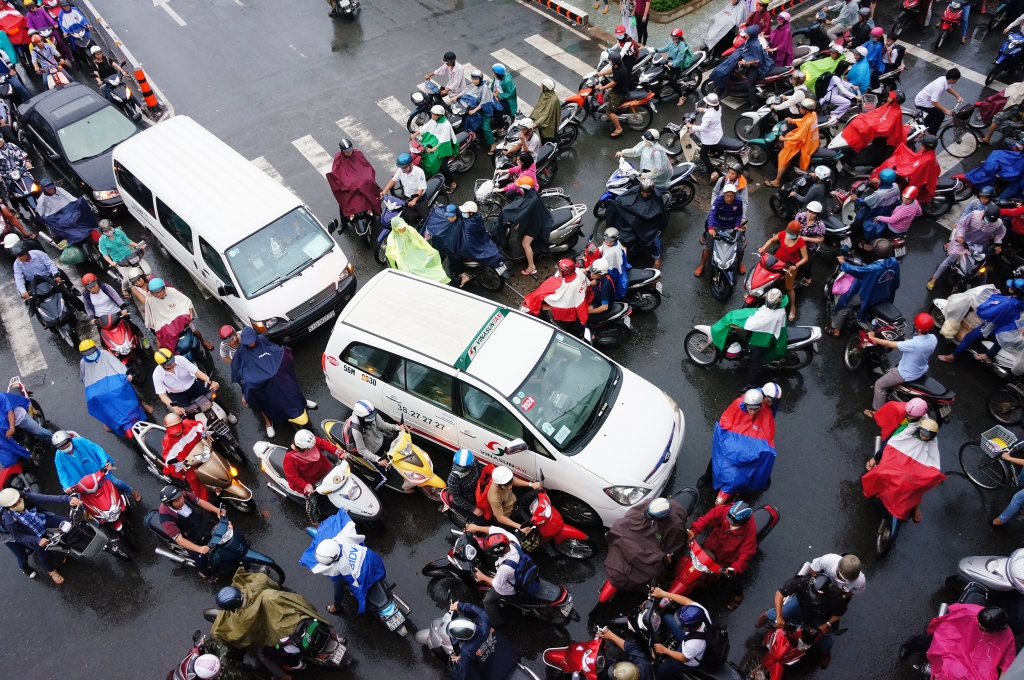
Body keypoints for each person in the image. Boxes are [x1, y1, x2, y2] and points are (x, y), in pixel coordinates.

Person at [230, 327, 318, 434]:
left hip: (278, 375)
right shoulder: (242, 351)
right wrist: (247, 390)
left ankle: (303, 402)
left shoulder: (262, 339)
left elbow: (275, 349)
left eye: (252, 341)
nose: (251, 344)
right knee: (260, 397)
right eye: (248, 343)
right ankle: (269, 422)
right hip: (262, 381)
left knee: (291, 385)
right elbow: (242, 369)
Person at [755, 573, 848, 668]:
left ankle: (825, 653)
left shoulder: (835, 597)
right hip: (801, 606)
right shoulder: (802, 583)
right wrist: (779, 617)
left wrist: (827, 624)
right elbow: (779, 593)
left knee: (827, 643)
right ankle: (766, 615)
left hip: (820, 617)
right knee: (778, 614)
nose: (814, 599)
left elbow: (839, 613)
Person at [900, 605, 1015, 680]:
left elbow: (1007, 664)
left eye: (982, 627)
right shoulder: (974, 611)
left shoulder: (1007, 637)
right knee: (932, 642)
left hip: (976, 657)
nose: (978, 624)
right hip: (955, 636)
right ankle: (910, 645)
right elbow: (954, 607)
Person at [604, 497, 691, 592]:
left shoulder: (675, 526)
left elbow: (674, 547)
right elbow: (631, 516)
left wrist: (663, 558)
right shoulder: (647, 505)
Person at [709, 288, 789, 388]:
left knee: (754, 359)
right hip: (766, 327)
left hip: (768, 337)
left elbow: (757, 322)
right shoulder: (778, 307)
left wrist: (742, 324)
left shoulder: (777, 314)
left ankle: (751, 384)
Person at [707, 389, 777, 500]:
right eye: (750, 409)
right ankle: (708, 476)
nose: (752, 412)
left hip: (746, 453)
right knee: (717, 460)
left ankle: (736, 490)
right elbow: (725, 423)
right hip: (732, 448)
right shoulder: (737, 405)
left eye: (756, 409)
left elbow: (767, 437)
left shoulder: (766, 413)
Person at [0, 487, 80, 584]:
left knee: (67, 523)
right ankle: (48, 571)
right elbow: (19, 536)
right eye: (15, 504)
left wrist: (67, 499)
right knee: (32, 554)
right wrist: (37, 540)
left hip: (40, 520)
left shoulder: (24, 496)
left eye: (19, 500)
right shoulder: (9, 521)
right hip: (20, 534)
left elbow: (45, 498)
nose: (19, 503)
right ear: (8, 507)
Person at [686, 501, 757, 608]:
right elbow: (708, 518)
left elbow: (747, 553)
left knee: (732, 579)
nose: (729, 523)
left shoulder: (750, 530)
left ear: (742, 522)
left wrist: (734, 568)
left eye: (732, 523)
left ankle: (738, 596)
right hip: (711, 545)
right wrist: (695, 530)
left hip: (727, 559)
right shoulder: (725, 510)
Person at [826, 239, 900, 337]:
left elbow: (856, 270)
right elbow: (896, 282)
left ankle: (835, 330)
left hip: (869, 297)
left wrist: (843, 262)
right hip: (885, 294)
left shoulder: (874, 268)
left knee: (845, 303)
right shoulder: (894, 262)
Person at [940, 279, 1024, 365]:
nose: (1009, 287)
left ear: (1014, 290)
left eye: (1011, 287)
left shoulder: (1008, 303)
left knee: (969, 337)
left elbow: (989, 314)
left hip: (996, 325)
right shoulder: (1020, 301)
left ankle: (952, 357)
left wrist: (980, 307)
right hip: (1010, 325)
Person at [866, 312, 938, 410]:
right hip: (921, 370)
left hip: (904, 374)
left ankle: (876, 410)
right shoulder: (933, 339)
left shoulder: (914, 344)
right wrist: (902, 338)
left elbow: (891, 344)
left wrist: (873, 337)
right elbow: (911, 343)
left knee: (879, 385)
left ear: (916, 327)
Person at [79, 338, 151, 434]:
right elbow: (84, 377)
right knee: (95, 401)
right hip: (98, 387)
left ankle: (142, 404)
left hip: (114, 381)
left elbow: (117, 365)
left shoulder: (104, 354)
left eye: (91, 352)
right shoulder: (83, 363)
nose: (90, 355)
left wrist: (125, 375)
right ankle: (107, 421)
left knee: (127, 389)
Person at [926, 202, 1005, 290]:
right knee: (950, 259)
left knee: (980, 265)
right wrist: (959, 236)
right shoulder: (974, 215)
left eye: (991, 221)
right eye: (988, 219)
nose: (988, 222)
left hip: (978, 246)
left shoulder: (998, 224)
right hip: (963, 241)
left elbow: (1000, 234)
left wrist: (998, 244)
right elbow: (962, 225)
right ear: (984, 213)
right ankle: (934, 278)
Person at [469, 528, 537, 626]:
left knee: (487, 602)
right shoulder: (513, 541)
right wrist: (475, 527)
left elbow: (497, 584)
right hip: (521, 568)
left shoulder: (505, 568)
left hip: (509, 587)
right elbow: (494, 529)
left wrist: (482, 577)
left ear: (497, 552)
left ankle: (497, 624)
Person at [52, 429, 142, 501]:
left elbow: (97, 450)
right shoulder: (58, 456)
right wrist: (66, 486)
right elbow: (61, 472)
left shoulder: (81, 441)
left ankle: (132, 491)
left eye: (67, 445)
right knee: (82, 501)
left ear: (70, 440)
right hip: (81, 480)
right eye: (62, 448)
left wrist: (105, 463)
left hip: (98, 471)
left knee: (115, 482)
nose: (65, 448)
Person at [156, 485, 226, 577]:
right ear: (169, 504)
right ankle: (205, 574)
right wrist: (199, 549)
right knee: (200, 560)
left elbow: (200, 502)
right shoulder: (166, 519)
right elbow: (179, 540)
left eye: (180, 497)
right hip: (190, 536)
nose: (181, 500)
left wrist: (217, 510)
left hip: (200, 522)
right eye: (177, 501)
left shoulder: (183, 495)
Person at [152, 349, 235, 422]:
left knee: (213, 397)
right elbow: (162, 395)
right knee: (184, 416)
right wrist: (175, 408)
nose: (173, 363)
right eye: (169, 364)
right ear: (162, 365)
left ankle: (227, 413)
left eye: (172, 360)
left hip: (193, 385)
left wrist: (210, 381)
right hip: (176, 394)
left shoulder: (180, 359)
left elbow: (196, 372)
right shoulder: (157, 374)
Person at [444, 601, 521, 680]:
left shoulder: (467, 651)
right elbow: (479, 611)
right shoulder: (485, 624)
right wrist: (460, 605)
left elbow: (468, 675)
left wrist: (459, 664)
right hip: (513, 658)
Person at [284, 429, 342, 526]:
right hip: (313, 483)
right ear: (301, 448)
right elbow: (292, 477)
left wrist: (338, 452)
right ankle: (315, 521)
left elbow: (324, 444)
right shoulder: (289, 459)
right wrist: (306, 486)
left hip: (326, 472)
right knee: (314, 502)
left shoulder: (310, 441)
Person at [339, 400, 402, 484]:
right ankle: (372, 487)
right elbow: (362, 450)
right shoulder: (356, 430)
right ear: (361, 417)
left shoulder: (371, 414)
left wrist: (397, 428)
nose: (373, 418)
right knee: (385, 477)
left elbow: (382, 425)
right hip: (372, 451)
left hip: (380, 439)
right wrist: (377, 459)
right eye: (369, 417)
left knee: (399, 452)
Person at [12, 241, 85, 314]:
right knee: (31, 300)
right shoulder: (17, 264)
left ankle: (83, 309)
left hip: (48, 277)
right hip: (33, 282)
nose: (19, 258)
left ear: (26, 253)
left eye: (21, 256)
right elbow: (18, 278)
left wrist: (56, 275)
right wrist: (23, 291)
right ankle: (32, 308)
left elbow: (50, 264)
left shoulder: (38, 254)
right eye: (17, 256)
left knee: (68, 293)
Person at [650, 592, 713, 676]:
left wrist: (665, 650)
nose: (679, 624)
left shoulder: (693, 644)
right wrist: (662, 593)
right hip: (691, 637)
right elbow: (686, 601)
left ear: (689, 628)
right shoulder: (701, 611)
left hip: (688, 660)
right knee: (666, 618)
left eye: (682, 624)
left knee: (661, 671)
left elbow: (684, 658)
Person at [143, 277, 214, 351]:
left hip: (181, 321)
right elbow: (150, 316)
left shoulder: (172, 292)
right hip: (164, 324)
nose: (159, 294)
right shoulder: (150, 300)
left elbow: (187, 302)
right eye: (155, 292)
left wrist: (188, 317)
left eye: (160, 291)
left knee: (194, 331)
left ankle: (203, 341)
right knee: (160, 345)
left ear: (164, 288)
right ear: (151, 292)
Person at [758, 221, 809, 321]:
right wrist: (763, 248)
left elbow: (805, 257)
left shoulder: (800, 242)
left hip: (790, 265)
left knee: (789, 287)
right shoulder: (782, 234)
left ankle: (793, 307)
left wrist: (796, 266)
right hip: (777, 260)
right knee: (765, 273)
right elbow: (771, 240)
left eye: (792, 233)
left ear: (797, 233)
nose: (789, 235)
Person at [326, 139, 382, 229]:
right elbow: (336, 172)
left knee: (372, 194)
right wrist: (345, 183)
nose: (349, 152)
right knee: (343, 203)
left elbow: (366, 166)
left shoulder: (358, 153)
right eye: (347, 151)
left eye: (350, 150)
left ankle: (379, 212)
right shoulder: (338, 157)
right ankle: (343, 223)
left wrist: (366, 179)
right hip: (348, 186)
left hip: (362, 184)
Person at [767, 98, 819, 188]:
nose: (799, 109)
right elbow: (803, 121)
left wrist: (784, 139)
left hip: (804, 143)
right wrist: (792, 120)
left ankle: (777, 181)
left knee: (783, 156)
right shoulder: (813, 114)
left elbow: (798, 137)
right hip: (813, 141)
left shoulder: (808, 122)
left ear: (806, 110)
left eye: (801, 108)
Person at [695, 183, 745, 277]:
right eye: (727, 196)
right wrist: (710, 228)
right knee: (707, 247)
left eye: (731, 196)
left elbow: (739, 214)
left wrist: (736, 226)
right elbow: (712, 214)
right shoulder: (718, 200)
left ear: (735, 195)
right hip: (718, 225)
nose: (729, 198)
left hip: (732, 226)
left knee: (740, 247)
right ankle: (702, 265)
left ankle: (740, 263)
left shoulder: (738, 201)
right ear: (724, 194)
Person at [81, 273, 146, 345]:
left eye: (94, 286)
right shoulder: (86, 295)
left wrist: (124, 309)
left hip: (116, 313)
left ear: (97, 282)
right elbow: (88, 308)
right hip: (101, 318)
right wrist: (92, 318)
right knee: (103, 341)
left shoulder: (105, 287)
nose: (93, 289)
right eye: (90, 288)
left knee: (131, 326)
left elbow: (117, 298)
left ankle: (143, 338)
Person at [865, 397, 929, 467]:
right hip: (901, 428)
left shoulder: (912, 427)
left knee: (888, 443)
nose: (908, 415)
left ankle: (876, 460)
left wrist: (876, 458)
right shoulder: (923, 418)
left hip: (903, 432)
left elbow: (893, 441)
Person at [161, 412, 210, 501]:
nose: (177, 433)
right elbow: (168, 457)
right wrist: (177, 463)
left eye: (178, 429)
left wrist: (204, 433)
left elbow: (199, 426)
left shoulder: (189, 424)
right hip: (188, 463)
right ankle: (204, 501)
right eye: (174, 432)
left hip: (201, 452)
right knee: (194, 479)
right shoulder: (167, 441)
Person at [483, 465, 541, 534]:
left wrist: (531, 484)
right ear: (497, 486)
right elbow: (500, 517)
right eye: (507, 485)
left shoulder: (504, 482)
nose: (510, 487)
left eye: (510, 483)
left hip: (514, 505)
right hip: (507, 517)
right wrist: (519, 527)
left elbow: (513, 481)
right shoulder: (494, 498)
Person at [412, 105, 458, 188]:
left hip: (444, 147)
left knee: (444, 167)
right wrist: (415, 134)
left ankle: (452, 182)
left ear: (440, 115)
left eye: (434, 114)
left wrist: (433, 149)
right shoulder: (433, 120)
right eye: (432, 114)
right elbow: (425, 128)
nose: (432, 116)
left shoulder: (446, 125)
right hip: (433, 142)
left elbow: (443, 140)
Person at [96, 219, 148, 288]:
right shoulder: (102, 240)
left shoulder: (118, 232)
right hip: (119, 261)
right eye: (106, 231)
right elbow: (105, 254)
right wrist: (111, 262)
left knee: (145, 271)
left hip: (129, 254)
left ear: (112, 227)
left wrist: (138, 246)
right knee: (128, 279)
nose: (108, 231)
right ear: (103, 232)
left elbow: (128, 241)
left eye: (109, 229)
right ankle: (124, 290)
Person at [915, 69, 964, 135]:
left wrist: (958, 96)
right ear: (952, 79)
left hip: (924, 99)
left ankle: (924, 126)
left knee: (934, 113)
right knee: (940, 115)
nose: (957, 81)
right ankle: (928, 133)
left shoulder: (944, 79)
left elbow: (948, 88)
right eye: (957, 79)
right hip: (923, 102)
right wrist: (946, 110)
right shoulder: (939, 87)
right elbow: (934, 102)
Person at [380, 152, 428, 221]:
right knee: (399, 213)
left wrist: (414, 201)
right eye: (401, 167)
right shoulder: (400, 170)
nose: (403, 169)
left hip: (419, 199)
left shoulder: (419, 172)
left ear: (410, 164)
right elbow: (393, 180)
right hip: (406, 197)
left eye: (404, 167)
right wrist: (384, 191)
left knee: (426, 219)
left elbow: (421, 189)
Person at [655, 28, 695, 104]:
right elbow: (664, 49)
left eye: (675, 38)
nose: (673, 39)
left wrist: (673, 64)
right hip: (669, 63)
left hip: (677, 66)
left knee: (673, 81)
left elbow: (680, 59)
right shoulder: (672, 42)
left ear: (679, 38)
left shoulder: (682, 46)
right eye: (672, 37)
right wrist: (655, 50)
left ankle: (681, 97)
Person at [687, 93, 723, 176]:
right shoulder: (719, 108)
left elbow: (702, 128)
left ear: (708, 104)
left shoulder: (707, 116)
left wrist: (692, 126)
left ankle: (712, 172)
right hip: (718, 133)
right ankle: (712, 152)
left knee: (702, 155)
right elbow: (712, 112)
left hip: (710, 138)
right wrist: (703, 110)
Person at [462, 70, 497, 153]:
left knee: (485, 127)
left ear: (480, 79)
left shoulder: (484, 87)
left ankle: (492, 144)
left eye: (476, 79)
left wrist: (474, 110)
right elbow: (465, 91)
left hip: (484, 110)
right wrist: (455, 97)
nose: (474, 81)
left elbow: (484, 102)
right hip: (473, 107)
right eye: (472, 79)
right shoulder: (472, 85)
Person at [598, 50, 629, 138]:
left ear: (614, 61)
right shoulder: (617, 65)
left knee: (609, 111)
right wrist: (601, 73)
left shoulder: (620, 71)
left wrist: (601, 87)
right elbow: (611, 70)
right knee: (607, 96)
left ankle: (619, 128)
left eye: (610, 60)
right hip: (616, 90)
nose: (610, 61)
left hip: (619, 94)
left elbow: (613, 83)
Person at [446, 448, 483, 519]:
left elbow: (480, 470)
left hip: (478, 492)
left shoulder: (474, 462)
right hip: (467, 501)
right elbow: (457, 498)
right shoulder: (453, 479)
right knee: (480, 521)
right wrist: (473, 509)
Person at [531, 78, 560, 144]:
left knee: (545, 143)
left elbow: (547, 114)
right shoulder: (544, 94)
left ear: (546, 87)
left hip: (548, 121)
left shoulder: (553, 100)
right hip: (540, 116)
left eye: (542, 85)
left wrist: (537, 123)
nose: (540, 86)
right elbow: (538, 106)